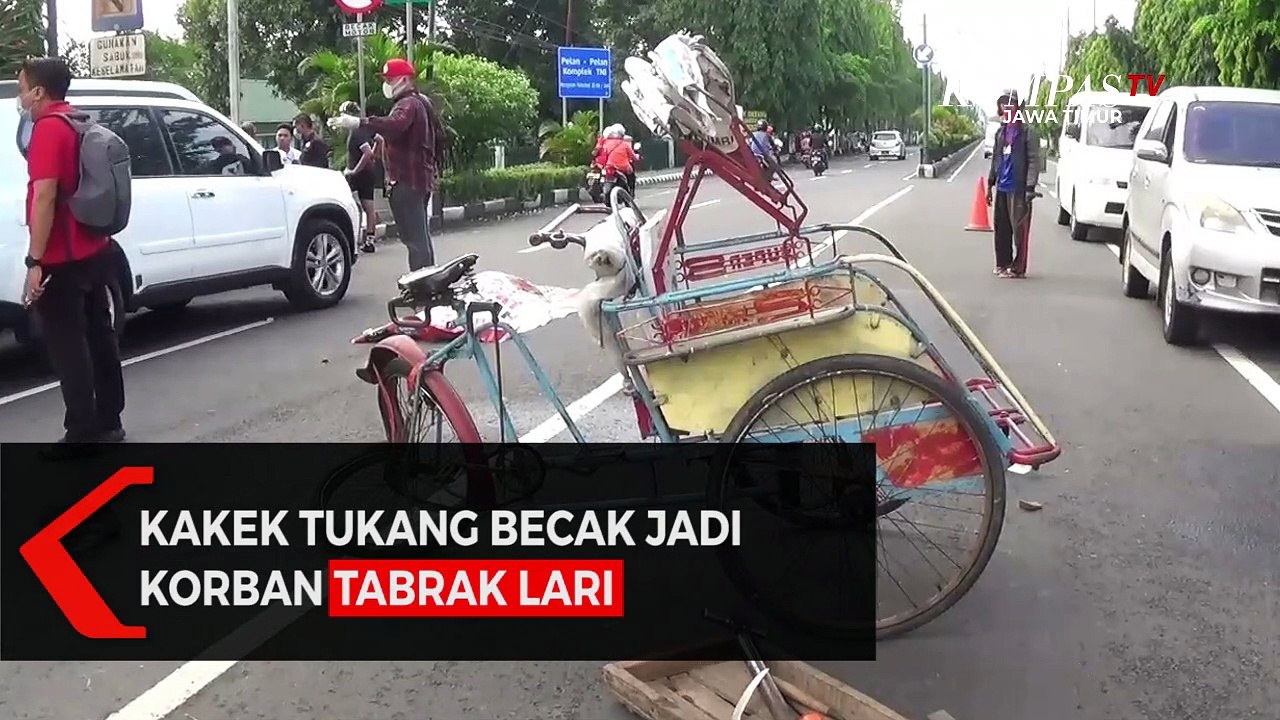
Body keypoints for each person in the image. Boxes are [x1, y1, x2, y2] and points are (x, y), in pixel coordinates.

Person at [17, 57, 126, 445]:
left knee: (68, 345)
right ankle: (110, 421)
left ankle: (81, 431)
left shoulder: (48, 130)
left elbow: (44, 197)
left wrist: (35, 261)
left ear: (39, 92)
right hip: (96, 247)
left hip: (62, 257)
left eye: (22, 88)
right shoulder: (78, 121)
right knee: (100, 335)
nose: (21, 97)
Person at [328, 58, 446, 271]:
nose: (387, 85)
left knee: (415, 240)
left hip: (407, 181)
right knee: (419, 237)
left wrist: (360, 122)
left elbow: (394, 125)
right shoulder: (421, 102)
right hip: (417, 178)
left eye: (390, 80)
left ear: (405, 80)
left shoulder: (408, 104)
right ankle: (428, 282)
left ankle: (424, 286)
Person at [986, 89, 1040, 278]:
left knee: (1019, 230)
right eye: (1003, 104)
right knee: (1001, 229)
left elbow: (1034, 160)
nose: (1006, 107)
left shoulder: (1027, 133)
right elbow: (996, 159)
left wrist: (1030, 187)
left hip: (1018, 188)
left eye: (1010, 104)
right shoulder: (1001, 133)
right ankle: (1003, 263)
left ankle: (1018, 268)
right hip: (1002, 186)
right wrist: (990, 184)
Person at [339, 101, 378, 253]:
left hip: (358, 174)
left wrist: (354, 170)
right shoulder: (365, 129)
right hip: (369, 172)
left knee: (348, 203)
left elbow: (367, 152)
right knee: (368, 206)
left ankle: (353, 239)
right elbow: (379, 140)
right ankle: (369, 240)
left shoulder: (356, 132)